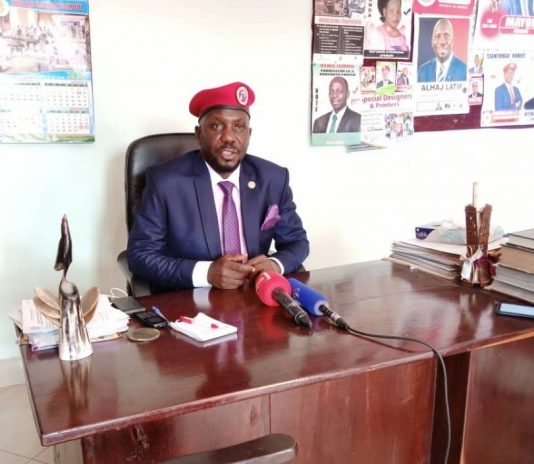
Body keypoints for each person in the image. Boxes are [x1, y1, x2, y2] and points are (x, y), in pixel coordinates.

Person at [127, 82, 309, 292]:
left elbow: (297, 241)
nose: (229, 137)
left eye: (239, 127)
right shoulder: (165, 182)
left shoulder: (273, 178)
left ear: (249, 134)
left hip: (254, 292)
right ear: (198, 134)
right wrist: (207, 273)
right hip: (192, 298)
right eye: (216, 126)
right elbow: (140, 255)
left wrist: (275, 264)